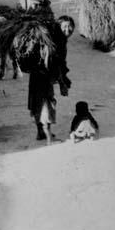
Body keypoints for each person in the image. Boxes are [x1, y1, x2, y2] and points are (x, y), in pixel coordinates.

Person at [28, 15, 75, 145]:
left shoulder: (55, 39)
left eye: (70, 27)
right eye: (65, 26)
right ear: (58, 26)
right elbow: (58, 65)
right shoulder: (56, 42)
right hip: (44, 76)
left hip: (36, 74)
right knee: (47, 104)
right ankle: (49, 138)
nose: (68, 30)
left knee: (37, 103)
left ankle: (40, 133)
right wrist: (62, 83)